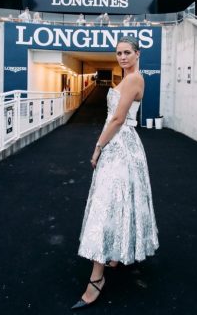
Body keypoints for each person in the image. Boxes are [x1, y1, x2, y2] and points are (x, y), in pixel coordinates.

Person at [72, 35, 159, 309]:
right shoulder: (129, 78)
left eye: (127, 52)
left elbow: (119, 119)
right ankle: (114, 254)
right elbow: (114, 119)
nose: (122, 57)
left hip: (121, 146)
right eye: (118, 53)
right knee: (117, 203)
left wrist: (98, 147)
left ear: (137, 54)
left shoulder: (134, 79)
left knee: (106, 206)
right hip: (120, 145)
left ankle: (97, 278)